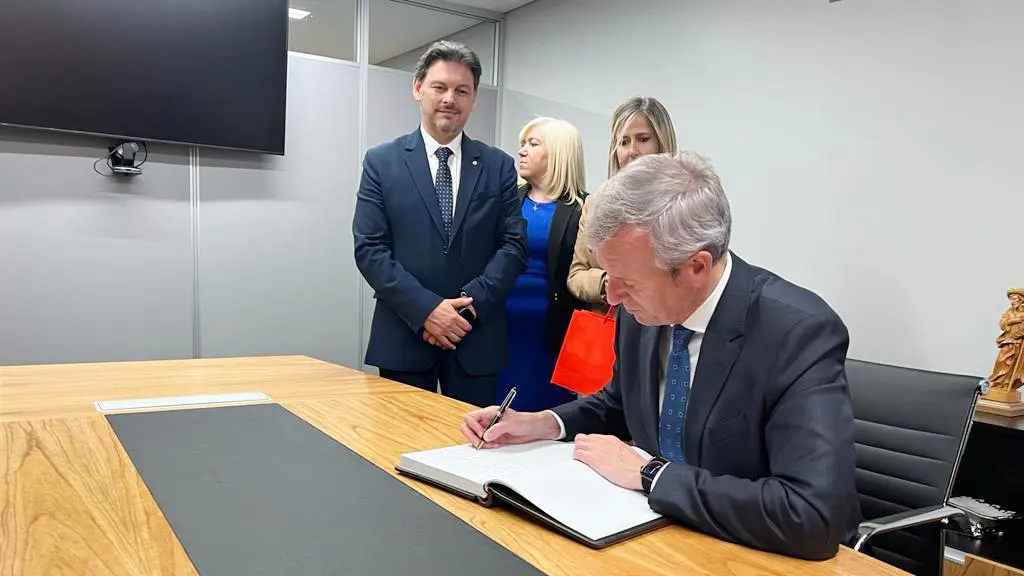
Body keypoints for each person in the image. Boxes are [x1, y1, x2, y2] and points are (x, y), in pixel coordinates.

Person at [461, 151, 861, 560]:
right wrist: (542, 423)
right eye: (609, 277)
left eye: (628, 282)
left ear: (696, 267)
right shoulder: (642, 309)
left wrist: (650, 474)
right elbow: (620, 402)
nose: (612, 297)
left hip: (758, 554)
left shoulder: (797, 333)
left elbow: (811, 516)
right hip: (657, 536)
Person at [353, 41, 527, 407]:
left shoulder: (498, 166)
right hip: (404, 335)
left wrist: (466, 306)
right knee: (397, 439)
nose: (450, 98)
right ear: (418, 88)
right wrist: (427, 310)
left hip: (475, 336)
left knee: (474, 442)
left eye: (462, 90)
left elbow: (513, 246)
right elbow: (370, 249)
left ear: (474, 99)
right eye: (440, 87)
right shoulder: (382, 162)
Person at [496, 117, 587, 412]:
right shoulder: (506, 201)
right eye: (523, 143)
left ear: (559, 153)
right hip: (500, 328)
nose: (522, 151)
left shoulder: (583, 209)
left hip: (551, 335)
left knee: (542, 415)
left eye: (533, 144)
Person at [566, 96, 677, 313]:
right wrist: (606, 282)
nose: (632, 151)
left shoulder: (683, 202)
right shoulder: (596, 203)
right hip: (611, 322)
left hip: (663, 321)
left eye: (643, 139)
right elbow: (576, 275)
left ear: (662, 143)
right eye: (623, 142)